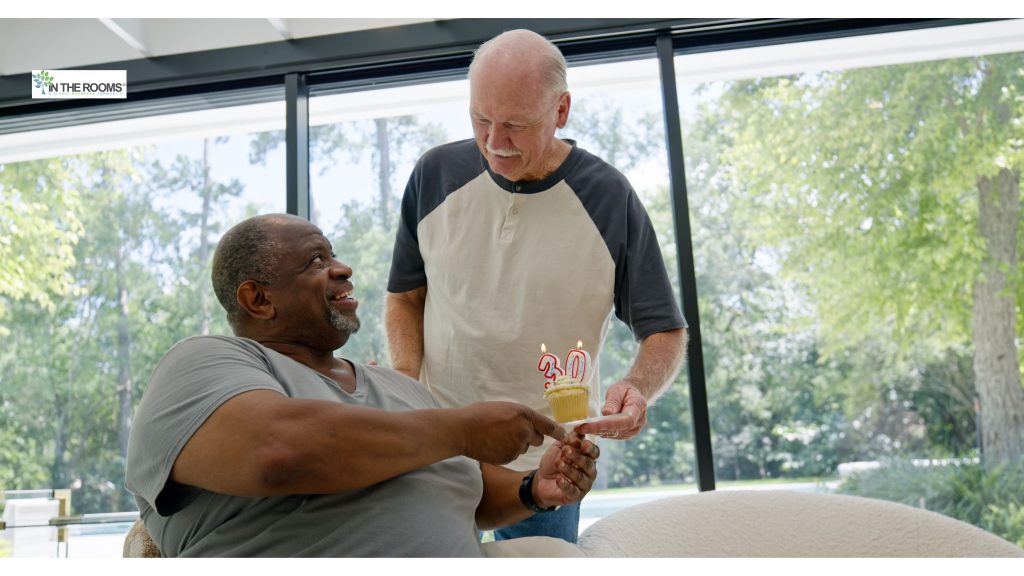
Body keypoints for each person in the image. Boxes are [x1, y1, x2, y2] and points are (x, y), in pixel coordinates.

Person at [124, 213, 599, 557]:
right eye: (315, 260)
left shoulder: (402, 390)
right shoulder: (203, 362)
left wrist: (535, 487)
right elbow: (277, 451)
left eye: (333, 253)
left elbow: (466, 490)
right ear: (258, 298)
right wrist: (461, 429)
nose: (343, 268)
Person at [385, 29, 688, 544]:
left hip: (547, 462)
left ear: (562, 110)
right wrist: (404, 388)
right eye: (481, 119)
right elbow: (405, 298)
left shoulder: (608, 197)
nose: (495, 143)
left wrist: (637, 389)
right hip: (439, 450)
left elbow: (665, 330)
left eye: (516, 125)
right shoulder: (434, 174)